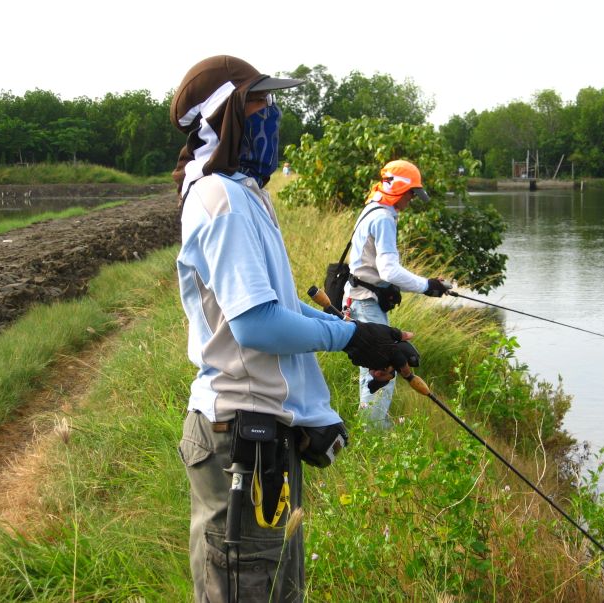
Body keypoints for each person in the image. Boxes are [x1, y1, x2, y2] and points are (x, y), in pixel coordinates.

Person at [170, 55, 414, 603]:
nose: (272, 113)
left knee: (278, 590)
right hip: (240, 436)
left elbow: (280, 307)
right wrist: (351, 337)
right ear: (227, 114)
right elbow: (257, 325)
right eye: (261, 101)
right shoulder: (222, 201)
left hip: (264, 435)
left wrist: (356, 331)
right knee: (247, 588)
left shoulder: (245, 195)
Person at [343, 160, 451, 429]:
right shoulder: (383, 218)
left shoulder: (372, 209)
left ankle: (374, 424)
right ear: (400, 191)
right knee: (383, 369)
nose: (412, 200)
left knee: (372, 368)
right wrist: (427, 286)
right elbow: (389, 270)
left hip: (356, 297)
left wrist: (426, 284)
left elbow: (376, 269)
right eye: (411, 193)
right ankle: (373, 430)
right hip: (366, 303)